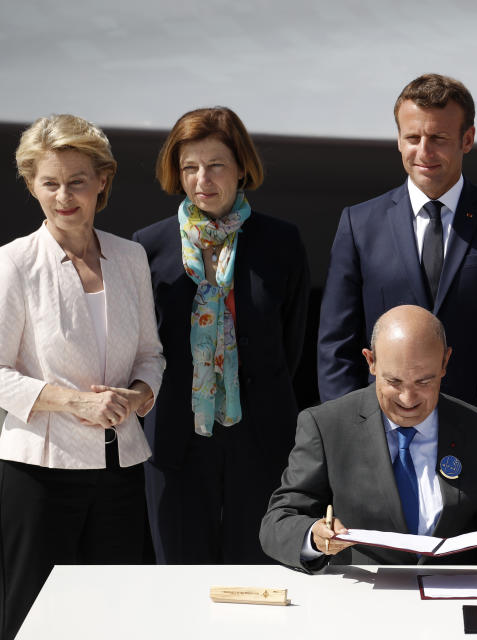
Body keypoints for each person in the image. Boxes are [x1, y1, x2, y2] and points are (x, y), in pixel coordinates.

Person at [0, 114, 165, 640]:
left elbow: (151, 354)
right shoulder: (12, 262)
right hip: (39, 480)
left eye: (77, 181)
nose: (63, 196)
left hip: (121, 472)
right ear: (32, 184)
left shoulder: (130, 258)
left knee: (120, 623)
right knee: (36, 628)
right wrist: (74, 402)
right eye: (49, 182)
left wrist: (141, 393)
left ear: (104, 179)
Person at [316, 74, 477, 487]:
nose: (424, 152)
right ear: (398, 139)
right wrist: (352, 436)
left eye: (438, 138)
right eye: (412, 138)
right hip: (381, 444)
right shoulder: (359, 223)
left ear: (468, 139)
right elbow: (337, 344)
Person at [133, 107, 309, 564]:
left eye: (215, 165)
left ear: (241, 168)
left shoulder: (281, 242)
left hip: (261, 438)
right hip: (176, 438)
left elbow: (291, 346)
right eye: (189, 167)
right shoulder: (147, 247)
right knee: (179, 577)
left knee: (259, 573)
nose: (201, 180)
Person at [261, 305, 477, 571]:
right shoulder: (327, 426)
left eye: (423, 382)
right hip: (361, 601)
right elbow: (277, 522)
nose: (408, 399)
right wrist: (313, 536)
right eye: (394, 382)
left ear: (445, 362)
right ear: (371, 361)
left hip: (451, 598)